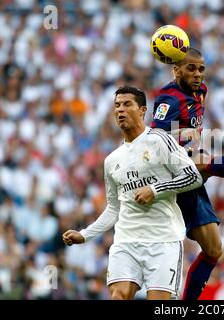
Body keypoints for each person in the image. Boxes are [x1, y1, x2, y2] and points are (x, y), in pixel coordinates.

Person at [62, 86, 203, 300]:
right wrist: (85, 234)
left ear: (142, 110)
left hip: (163, 240)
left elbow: (193, 176)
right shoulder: (112, 161)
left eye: (127, 104)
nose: (120, 110)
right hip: (126, 240)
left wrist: (155, 190)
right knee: (118, 296)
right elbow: (114, 208)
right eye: (117, 105)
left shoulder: (159, 140)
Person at [151, 47, 224, 300]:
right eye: (191, 68)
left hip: (190, 176)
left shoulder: (201, 92)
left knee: (214, 250)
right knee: (199, 159)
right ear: (176, 69)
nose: (197, 74)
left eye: (201, 69)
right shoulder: (168, 99)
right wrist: (181, 135)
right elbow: (153, 140)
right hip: (167, 175)